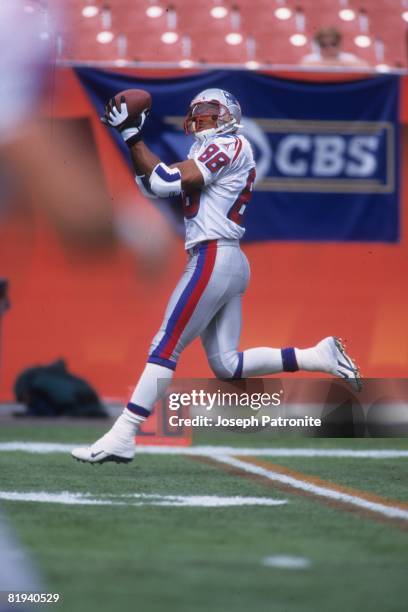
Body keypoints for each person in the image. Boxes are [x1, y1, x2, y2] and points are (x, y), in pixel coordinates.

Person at [72, 88, 361, 464]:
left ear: (229, 114)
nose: (202, 117)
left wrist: (132, 135)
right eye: (197, 111)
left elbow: (160, 181)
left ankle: (124, 433)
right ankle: (316, 355)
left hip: (213, 255)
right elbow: (151, 184)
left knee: (165, 345)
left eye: (210, 110)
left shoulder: (232, 144)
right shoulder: (203, 151)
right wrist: (131, 139)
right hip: (226, 259)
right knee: (227, 364)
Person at [301, 27, 369, 68]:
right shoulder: (310, 59)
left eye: (333, 44)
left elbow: (367, 68)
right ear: (318, 45)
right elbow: (303, 68)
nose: (329, 48)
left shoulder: (349, 58)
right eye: (323, 45)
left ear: (339, 43)